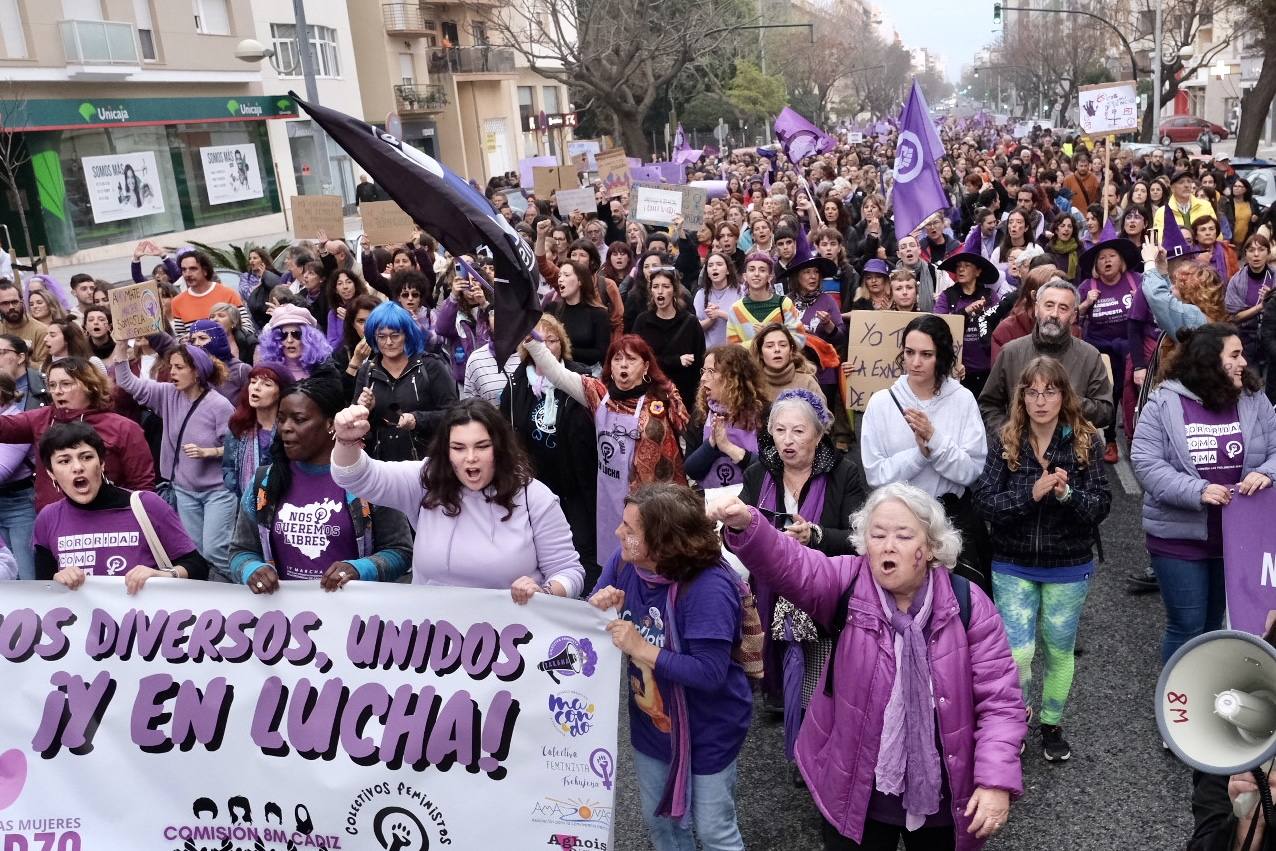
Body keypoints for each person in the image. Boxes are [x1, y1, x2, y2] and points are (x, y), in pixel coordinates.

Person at [709, 482, 1027, 849]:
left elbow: (1000, 703)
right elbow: (792, 563)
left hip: (943, 800)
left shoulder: (969, 604)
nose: (888, 545)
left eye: (903, 536)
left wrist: (994, 781)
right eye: (877, 535)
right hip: (856, 794)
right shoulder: (847, 581)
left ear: (930, 547)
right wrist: (747, 524)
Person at [588, 483, 752, 851]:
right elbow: (594, 617)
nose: (618, 533)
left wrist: (642, 648)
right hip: (653, 724)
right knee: (661, 826)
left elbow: (710, 673)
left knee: (714, 832)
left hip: (709, 728)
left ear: (662, 542)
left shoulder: (709, 588)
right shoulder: (624, 563)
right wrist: (600, 604)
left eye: (630, 529)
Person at [974, 356, 1112, 762]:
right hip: (1012, 562)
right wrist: (1030, 494)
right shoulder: (1006, 439)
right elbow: (984, 501)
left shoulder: (1086, 441)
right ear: (1021, 397)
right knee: (1017, 653)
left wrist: (1068, 495)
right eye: (1032, 392)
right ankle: (1015, 721)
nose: (1040, 401)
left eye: (1049, 392)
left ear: (1063, 395)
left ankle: (1051, 724)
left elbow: (1101, 506)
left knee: (1058, 651)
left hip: (1068, 564)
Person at [331, 397, 585, 598]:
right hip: (434, 638)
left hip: (512, 639)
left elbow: (569, 572)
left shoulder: (534, 497)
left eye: (482, 446)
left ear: (500, 447)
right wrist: (346, 440)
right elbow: (356, 477)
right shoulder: (426, 480)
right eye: (458, 448)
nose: (470, 458)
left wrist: (545, 593)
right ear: (446, 451)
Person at [1131, 323, 1276, 663]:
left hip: (1238, 540)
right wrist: (1197, 490)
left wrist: (1266, 474)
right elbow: (1145, 462)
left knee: (1215, 627)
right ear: (1209, 360)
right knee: (1186, 625)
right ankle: (1174, 696)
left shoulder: (1254, 399)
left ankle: (1206, 693)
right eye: (1235, 355)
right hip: (1178, 539)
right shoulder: (1164, 402)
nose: (1244, 363)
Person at [738, 388, 866, 767]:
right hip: (770, 590)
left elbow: (860, 538)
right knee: (786, 675)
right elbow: (740, 529)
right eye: (779, 431)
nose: (787, 441)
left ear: (819, 434)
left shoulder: (844, 473)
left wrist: (816, 536)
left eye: (798, 431)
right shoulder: (758, 473)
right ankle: (797, 747)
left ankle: (815, 755)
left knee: (819, 683)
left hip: (823, 590)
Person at [230, 371, 412, 592]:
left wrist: (360, 569)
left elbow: (400, 551)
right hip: (284, 611)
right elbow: (241, 551)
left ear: (331, 424)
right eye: (281, 419)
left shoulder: (369, 479)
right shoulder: (264, 483)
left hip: (352, 611)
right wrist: (251, 570)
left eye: (299, 420)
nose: (285, 427)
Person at [524, 333, 688, 563]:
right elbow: (558, 374)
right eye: (617, 359)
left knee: (649, 558)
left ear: (645, 366)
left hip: (651, 504)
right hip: (609, 498)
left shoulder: (659, 404)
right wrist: (532, 343)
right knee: (616, 559)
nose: (623, 365)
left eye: (631, 359)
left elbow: (673, 458)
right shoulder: (599, 394)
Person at [861, 315, 989, 580]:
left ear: (941, 356)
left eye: (926, 354)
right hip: (898, 521)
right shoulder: (881, 403)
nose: (915, 362)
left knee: (955, 598)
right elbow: (875, 475)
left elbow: (971, 471)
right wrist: (919, 455)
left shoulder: (963, 399)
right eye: (909, 352)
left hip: (951, 519)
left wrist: (935, 440)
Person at [111, 339, 236, 582]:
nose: (172, 373)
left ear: (197, 372)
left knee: (215, 550)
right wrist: (122, 346)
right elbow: (127, 382)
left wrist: (209, 452)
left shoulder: (219, 405)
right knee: (196, 555)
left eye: (179, 367)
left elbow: (236, 449)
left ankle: (250, 585)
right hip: (184, 491)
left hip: (218, 492)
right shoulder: (167, 393)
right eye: (171, 367)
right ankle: (208, 598)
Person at [35, 421, 207, 587]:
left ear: (101, 463)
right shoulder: (48, 518)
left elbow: (198, 566)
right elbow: (42, 589)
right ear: (51, 473)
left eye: (86, 457)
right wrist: (55, 580)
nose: (78, 467)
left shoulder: (146, 504)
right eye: (64, 461)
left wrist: (163, 575)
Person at [499, 315, 598, 584]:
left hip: (575, 480)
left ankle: (585, 594)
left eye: (552, 340)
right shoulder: (516, 382)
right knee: (541, 545)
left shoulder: (580, 376)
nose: (547, 347)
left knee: (583, 544)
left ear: (562, 344)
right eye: (540, 341)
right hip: (535, 480)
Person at [0, 358, 153, 510]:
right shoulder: (41, 418)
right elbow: (4, 428)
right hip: (54, 518)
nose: (57, 391)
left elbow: (142, 484)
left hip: (108, 515)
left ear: (90, 386)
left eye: (66, 384)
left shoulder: (123, 427)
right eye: (52, 385)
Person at [979, 279, 1114, 435]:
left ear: (1073, 316)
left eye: (1063, 308)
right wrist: (1008, 434)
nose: (1054, 314)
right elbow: (988, 405)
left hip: (1073, 445)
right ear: (1037, 309)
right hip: (1018, 445)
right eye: (1049, 305)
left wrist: (1066, 400)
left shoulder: (1089, 356)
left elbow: (1105, 412)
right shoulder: (1011, 352)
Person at [352, 301, 457, 461]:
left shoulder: (431, 366)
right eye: (381, 336)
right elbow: (355, 427)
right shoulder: (367, 371)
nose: (388, 342)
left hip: (427, 462)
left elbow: (453, 414)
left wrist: (417, 419)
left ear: (407, 334)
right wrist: (364, 409)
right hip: (382, 464)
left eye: (395, 335)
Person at [1076, 226, 1144, 462]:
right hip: (1100, 349)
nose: (1107, 261)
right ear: (1096, 264)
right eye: (1102, 257)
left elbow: (1152, 313)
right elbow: (1073, 317)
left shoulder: (1136, 281)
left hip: (1132, 348)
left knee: (1135, 394)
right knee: (1108, 395)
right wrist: (1086, 304)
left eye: (1112, 256)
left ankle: (1139, 440)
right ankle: (1110, 439)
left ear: (1121, 260)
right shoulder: (1087, 287)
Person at [684, 345, 765, 491]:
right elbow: (692, 470)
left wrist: (729, 448)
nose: (703, 378)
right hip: (712, 501)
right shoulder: (701, 414)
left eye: (711, 371)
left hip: (754, 500)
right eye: (703, 371)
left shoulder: (763, 413)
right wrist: (712, 444)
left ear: (734, 377)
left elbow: (768, 470)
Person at [632, 267, 706, 416]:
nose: (660, 291)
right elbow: (638, 360)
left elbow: (699, 362)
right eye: (655, 286)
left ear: (674, 290)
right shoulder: (642, 321)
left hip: (684, 396)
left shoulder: (690, 322)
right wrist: (676, 361)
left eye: (665, 286)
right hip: (651, 392)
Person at [934, 252, 1009, 398]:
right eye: (958, 266)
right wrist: (965, 311)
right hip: (957, 370)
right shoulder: (947, 296)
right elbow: (937, 325)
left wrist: (987, 314)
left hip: (987, 369)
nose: (961, 269)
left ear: (978, 272)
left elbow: (1002, 324)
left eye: (967, 265)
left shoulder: (990, 295)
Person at [222, 362, 293, 499]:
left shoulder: (289, 431)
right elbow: (228, 468)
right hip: (246, 504)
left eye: (267, 384)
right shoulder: (239, 427)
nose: (256, 387)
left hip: (285, 503)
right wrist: (244, 489)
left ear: (281, 393)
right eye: (253, 382)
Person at [545, 258, 612, 373]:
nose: (560, 279)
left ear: (580, 281)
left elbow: (600, 353)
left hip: (587, 373)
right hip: (555, 370)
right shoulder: (552, 309)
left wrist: (564, 349)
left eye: (566, 275)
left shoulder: (599, 314)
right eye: (559, 276)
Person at [725, 253, 805, 347]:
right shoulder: (735, 309)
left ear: (770, 277)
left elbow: (799, 340)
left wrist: (769, 335)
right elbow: (732, 349)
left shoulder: (784, 304)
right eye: (752, 269)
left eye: (762, 270)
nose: (756, 274)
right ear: (745, 276)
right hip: (747, 358)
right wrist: (761, 340)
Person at [170, 250, 253, 338]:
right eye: (184, 270)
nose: (187, 274)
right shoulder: (177, 302)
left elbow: (247, 327)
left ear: (205, 271)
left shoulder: (228, 294)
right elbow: (180, 337)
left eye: (193, 269)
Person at [434, 262, 492, 383]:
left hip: (490, 375)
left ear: (482, 282)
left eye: (475, 280)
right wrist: (453, 296)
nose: (470, 284)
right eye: (465, 280)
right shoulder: (453, 310)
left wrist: (484, 304)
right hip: (465, 379)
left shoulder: (491, 306)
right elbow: (441, 329)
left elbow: (502, 332)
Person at [1225, 233, 1274, 369]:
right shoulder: (1236, 281)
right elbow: (1233, 317)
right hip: (1246, 339)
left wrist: (1273, 301)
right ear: (1245, 254)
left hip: (1272, 337)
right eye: (1251, 250)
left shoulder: (1274, 277)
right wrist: (1261, 306)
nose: (1256, 255)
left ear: (1268, 253)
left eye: (1261, 250)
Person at [256, 304, 334, 381]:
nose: (289, 340)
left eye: (296, 334)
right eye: (283, 335)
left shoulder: (325, 373)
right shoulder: (267, 372)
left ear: (309, 339)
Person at [753, 322, 823, 403]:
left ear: (791, 350)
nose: (777, 349)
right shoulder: (753, 385)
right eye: (770, 346)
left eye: (783, 345)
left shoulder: (807, 382)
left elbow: (822, 410)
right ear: (760, 353)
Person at [695, 251, 744, 349]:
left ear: (728, 270)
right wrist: (711, 319)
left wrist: (719, 314)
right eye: (710, 265)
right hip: (710, 351)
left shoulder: (741, 291)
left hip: (735, 350)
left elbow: (745, 322)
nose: (714, 268)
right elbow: (696, 328)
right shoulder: (701, 294)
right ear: (707, 272)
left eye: (719, 264)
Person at [0, 279, 48, 367]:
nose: (11, 307)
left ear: (21, 301)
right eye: (5, 303)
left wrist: (19, 361)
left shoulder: (41, 331)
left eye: (14, 302)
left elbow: (44, 367)